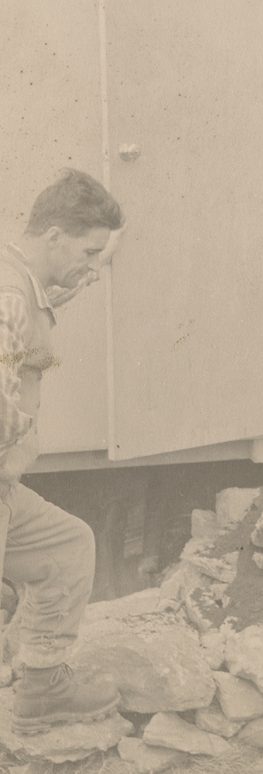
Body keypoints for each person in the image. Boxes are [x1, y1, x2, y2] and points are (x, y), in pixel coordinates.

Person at [0, 169, 124, 735]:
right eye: (89, 251)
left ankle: (43, 686)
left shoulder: (19, 276)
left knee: (67, 545)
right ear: (54, 234)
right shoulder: (8, 295)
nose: (94, 265)